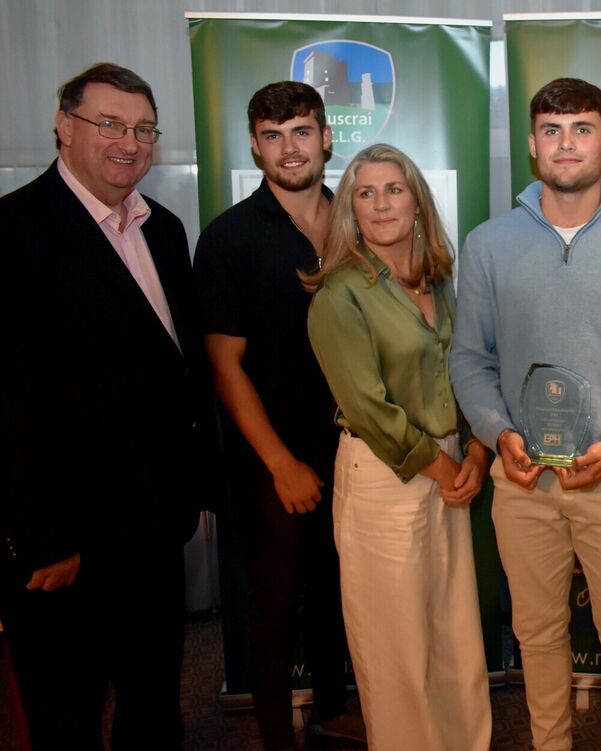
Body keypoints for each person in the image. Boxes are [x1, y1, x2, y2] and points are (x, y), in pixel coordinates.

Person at [450, 77, 601, 750]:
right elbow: (469, 360)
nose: (567, 143)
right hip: (523, 480)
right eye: (552, 130)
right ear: (532, 145)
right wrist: (497, 432)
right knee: (536, 633)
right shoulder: (487, 245)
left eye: (582, 129)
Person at [0, 62, 216, 749]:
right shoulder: (13, 231)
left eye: (144, 129)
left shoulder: (164, 229)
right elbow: (7, 400)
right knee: (67, 715)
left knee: (153, 702)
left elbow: (177, 370)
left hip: (153, 531)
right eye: (110, 124)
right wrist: (42, 537)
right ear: (64, 127)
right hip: (66, 545)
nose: (130, 143)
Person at [193, 81, 362, 750]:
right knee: (274, 600)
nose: (289, 148)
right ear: (255, 146)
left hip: (354, 448)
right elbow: (224, 366)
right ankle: (273, 734)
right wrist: (280, 463)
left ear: (325, 136)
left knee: (337, 588)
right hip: (271, 459)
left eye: (300, 131)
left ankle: (332, 710)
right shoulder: (229, 238)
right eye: (272, 135)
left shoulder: (357, 223)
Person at [305, 143, 491, 750]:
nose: (381, 204)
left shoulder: (439, 279)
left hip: (450, 465)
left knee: (455, 635)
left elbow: (465, 369)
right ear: (350, 210)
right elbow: (368, 406)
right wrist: (447, 468)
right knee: (397, 653)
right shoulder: (338, 294)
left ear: (417, 202)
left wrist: (475, 450)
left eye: (394, 189)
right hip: (386, 476)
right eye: (365, 193)